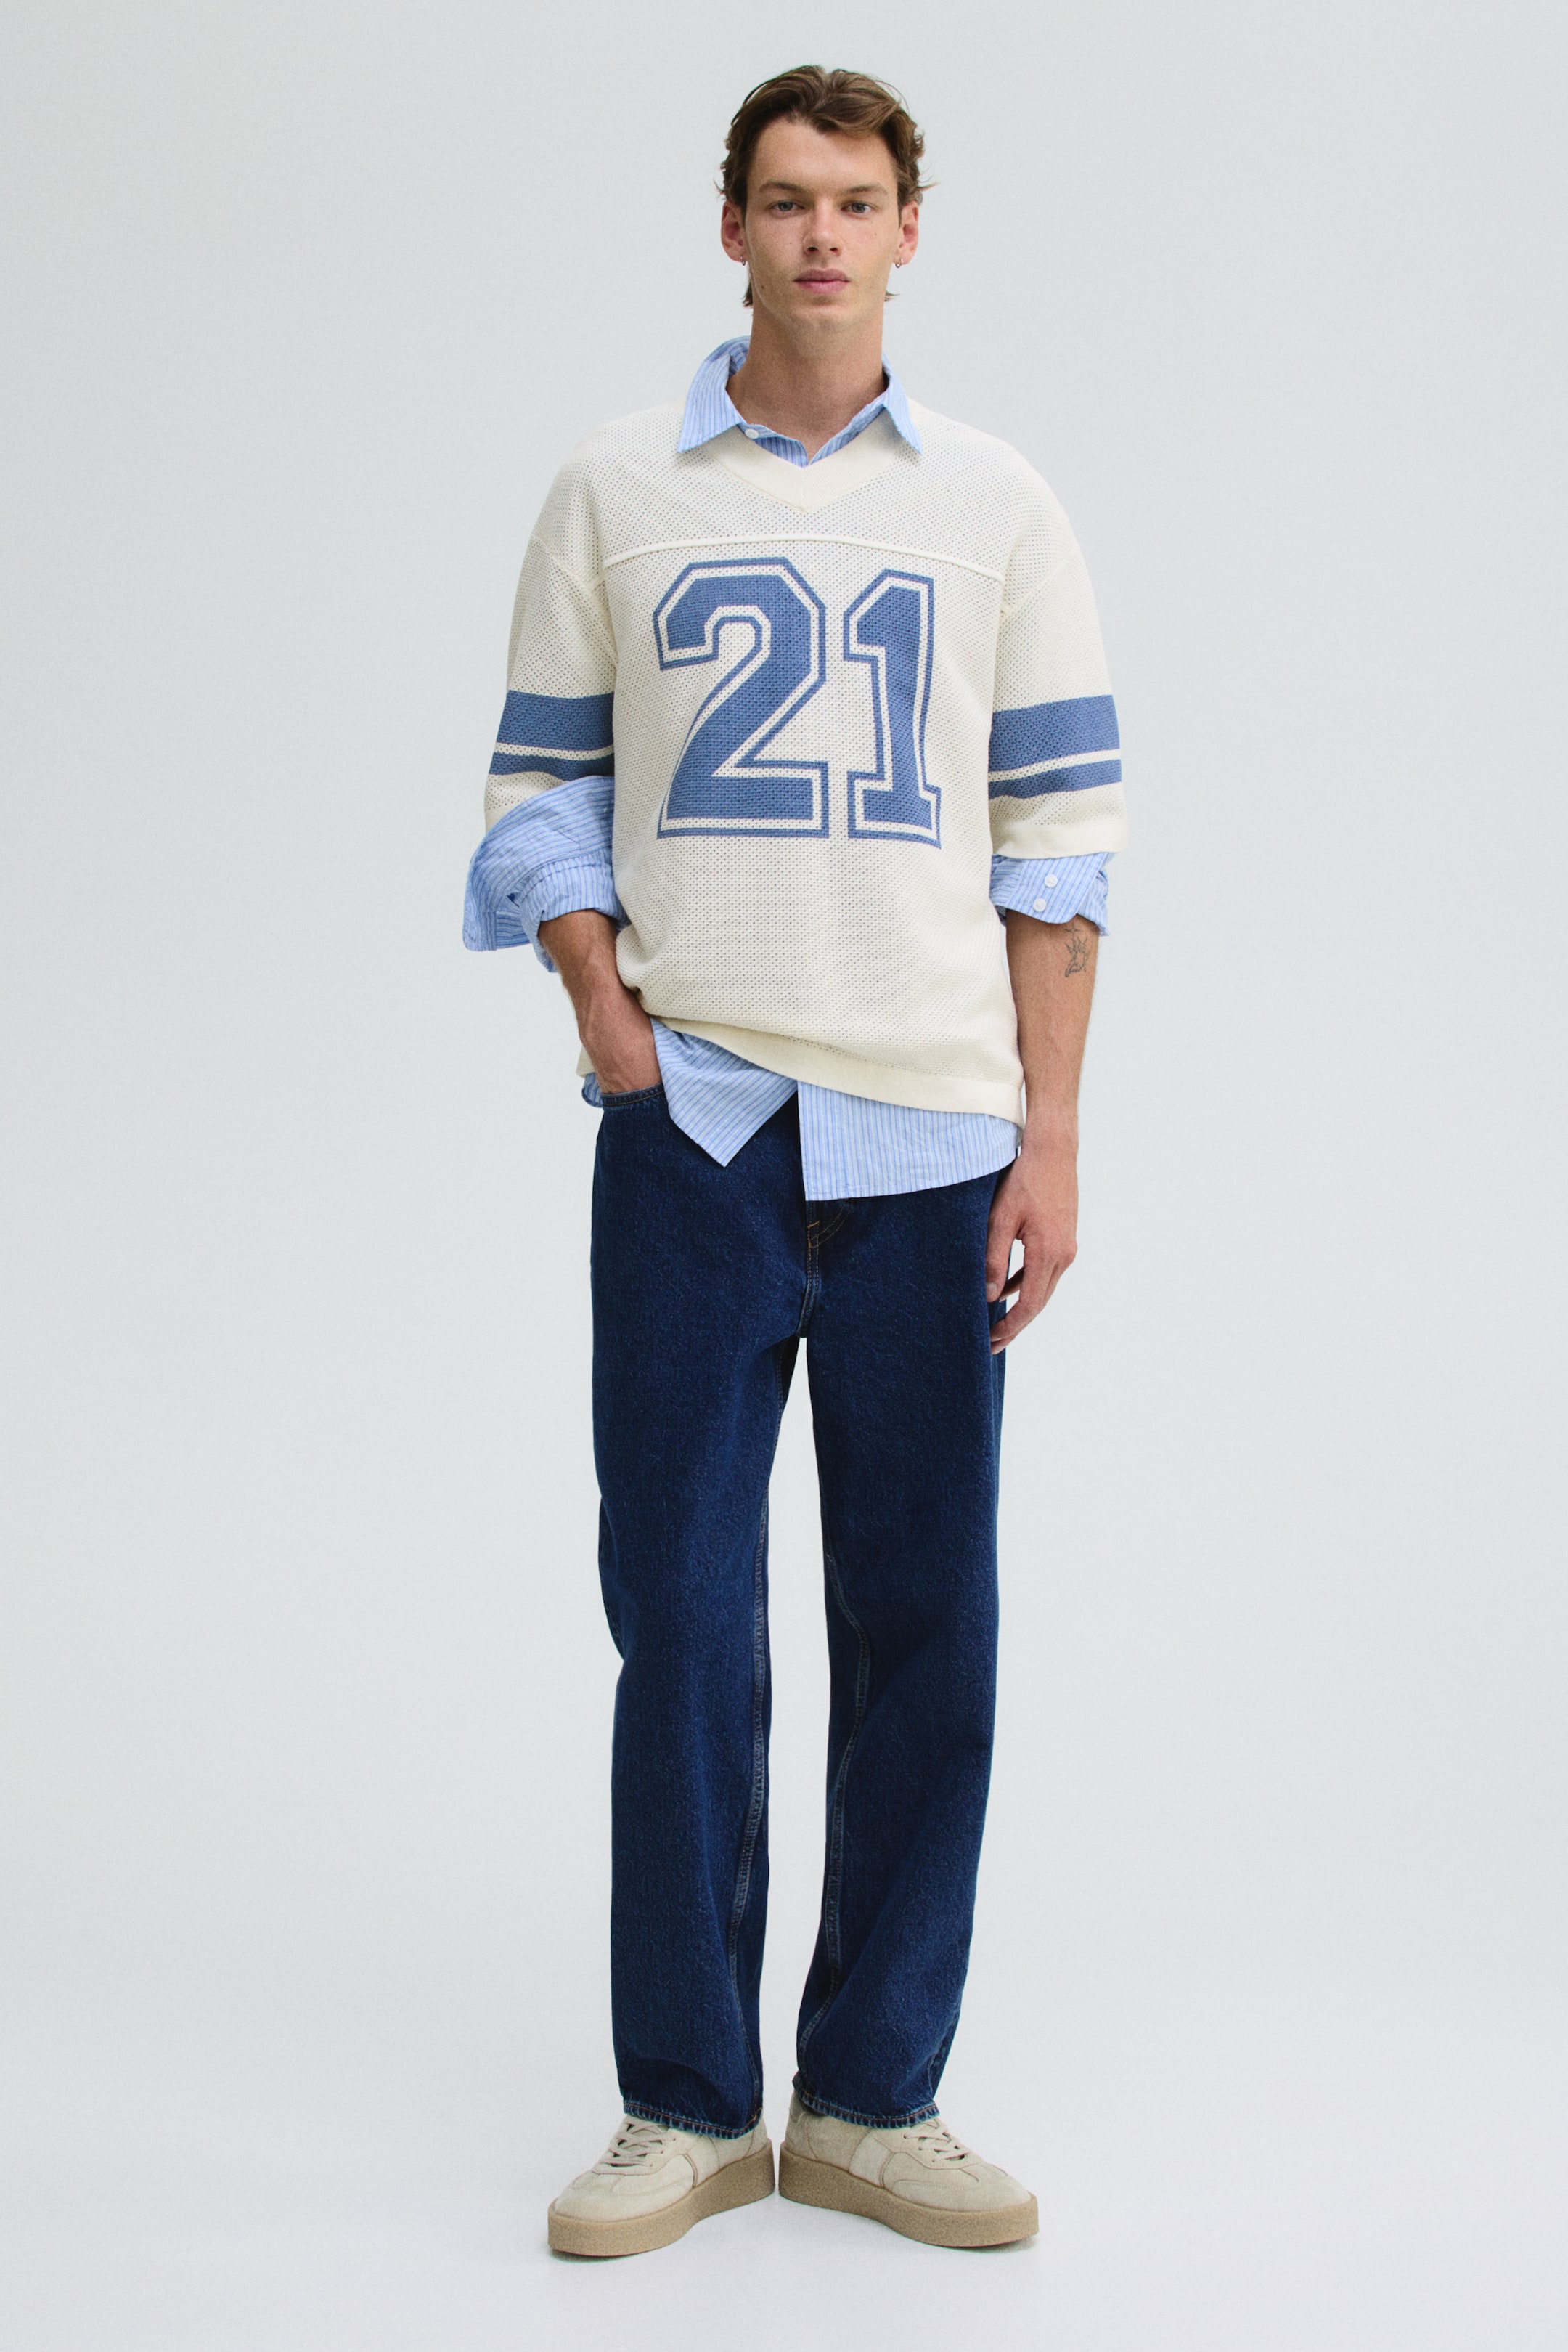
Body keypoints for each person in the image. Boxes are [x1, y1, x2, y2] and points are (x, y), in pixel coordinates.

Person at [464, 64, 1126, 2258]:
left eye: (855, 200)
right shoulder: (614, 489)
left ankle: (869, 2096)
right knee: (681, 1616)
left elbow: (1059, 846)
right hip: (699, 1136)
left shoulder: (1001, 508)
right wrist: (609, 1019)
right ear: (731, 226)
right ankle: (681, 2105)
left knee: (928, 1618)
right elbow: (539, 789)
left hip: (934, 1141)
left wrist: (1050, 1138)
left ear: (910, 229)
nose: (820, 235)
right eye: (783, 199)